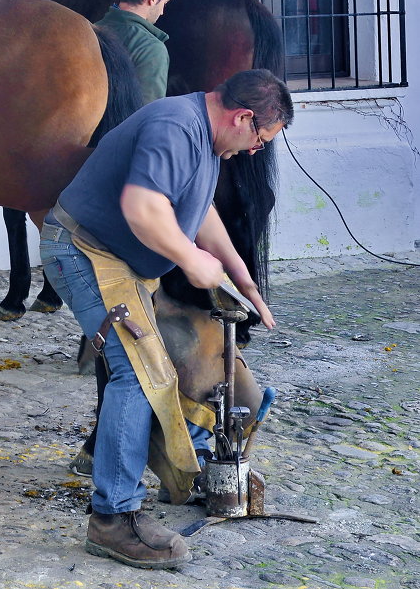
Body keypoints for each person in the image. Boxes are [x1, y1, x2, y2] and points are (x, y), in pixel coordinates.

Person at [39, 68, 293, 569]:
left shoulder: (206, 139)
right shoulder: (177, 127)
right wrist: (192, 260)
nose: (254, 150)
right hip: (83, 254)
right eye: (260, 139)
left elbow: (196, 211)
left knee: (191, 353)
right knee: (137, 372)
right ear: (243, 118)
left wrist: (239, 274)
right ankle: (114, 518)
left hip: (125, 265)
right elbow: (142, 207)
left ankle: (193, 469)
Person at [96, 0, 177, 104]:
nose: (162, 12)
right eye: (165, 3)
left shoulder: (91, 30)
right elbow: (147, 116)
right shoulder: (151, 49)